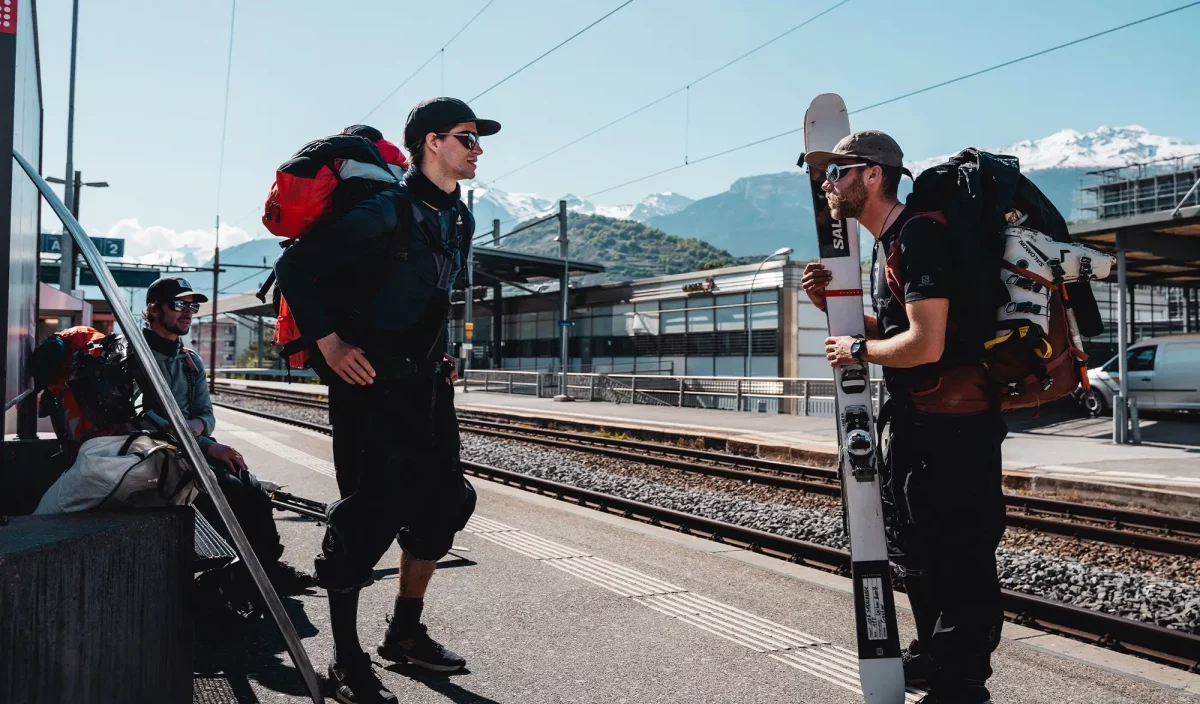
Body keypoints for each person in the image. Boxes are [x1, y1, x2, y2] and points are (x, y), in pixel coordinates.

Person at [275, 98, 497, 703]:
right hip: (368, 387)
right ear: (431, 143)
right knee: (368, 515)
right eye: (467, 139)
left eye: (478, 141)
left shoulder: (458, 219)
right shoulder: (383, 211)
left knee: (445, 503)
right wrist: (330, 342)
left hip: (425, 387)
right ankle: (346, 662)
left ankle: (403, 633)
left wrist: (444, 354)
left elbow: (435, 295)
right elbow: (295, 267)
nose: (478, 150)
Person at [802, 132, 1006, 704]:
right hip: (922, 419)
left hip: (956, 424)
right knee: (918, 546)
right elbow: (899, 330)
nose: (827, 184)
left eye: (836, 173)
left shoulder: (919, 234)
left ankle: (962, 686)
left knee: (958, 556)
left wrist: (857, 352)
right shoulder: (888, 242)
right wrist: (835, 311)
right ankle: (935, 654)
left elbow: (925, 343)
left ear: (872, 175)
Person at [140, 276, 313, 595]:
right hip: (155, 460)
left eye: (191, 306)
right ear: (152, 310)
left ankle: (267, 568)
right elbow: (145, 421)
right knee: (232, 490)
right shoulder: (137, 358)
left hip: (191, 453)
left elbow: (206, 413)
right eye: (178, 304)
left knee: (252, 487)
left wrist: (200, 429)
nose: (188, 312)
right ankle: (253, 572)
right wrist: (207, 443)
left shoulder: (190, 361)